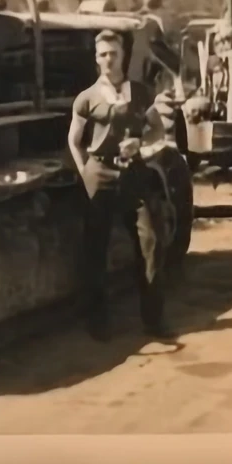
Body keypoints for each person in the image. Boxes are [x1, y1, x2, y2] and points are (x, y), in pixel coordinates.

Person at [68, 29, 175, 342]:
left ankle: (154, 321)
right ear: (96, 58)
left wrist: (139, 142)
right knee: (95, 250)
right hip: (99, 174)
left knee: (151, 242)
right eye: (102, 54)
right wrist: (86, 170)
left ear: (123, 56)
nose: (108, 60)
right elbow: (74, 141)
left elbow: (157, 129)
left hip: (134, 174)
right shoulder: (86, 98)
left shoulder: (140, 93)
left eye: (113, 53)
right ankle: (98, 324)